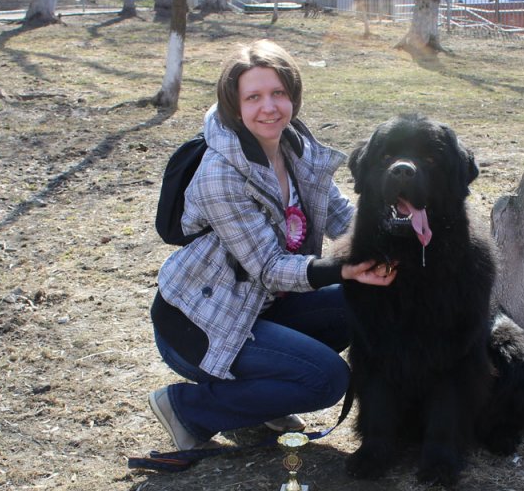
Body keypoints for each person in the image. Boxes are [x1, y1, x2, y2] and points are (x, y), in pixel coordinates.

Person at [148, 39, 396, 451]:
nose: (270, 107)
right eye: (254, 96)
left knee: (366, 301)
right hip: (201, 326)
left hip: (263, 307)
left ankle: (262, 395)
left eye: (279, 93)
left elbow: (340, 216)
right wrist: (343, 268)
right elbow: (268, 267)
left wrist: (394, 242)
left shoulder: (295, 146)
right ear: (234, 104)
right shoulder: (219, 175)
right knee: (326, 379)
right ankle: (186, 408)